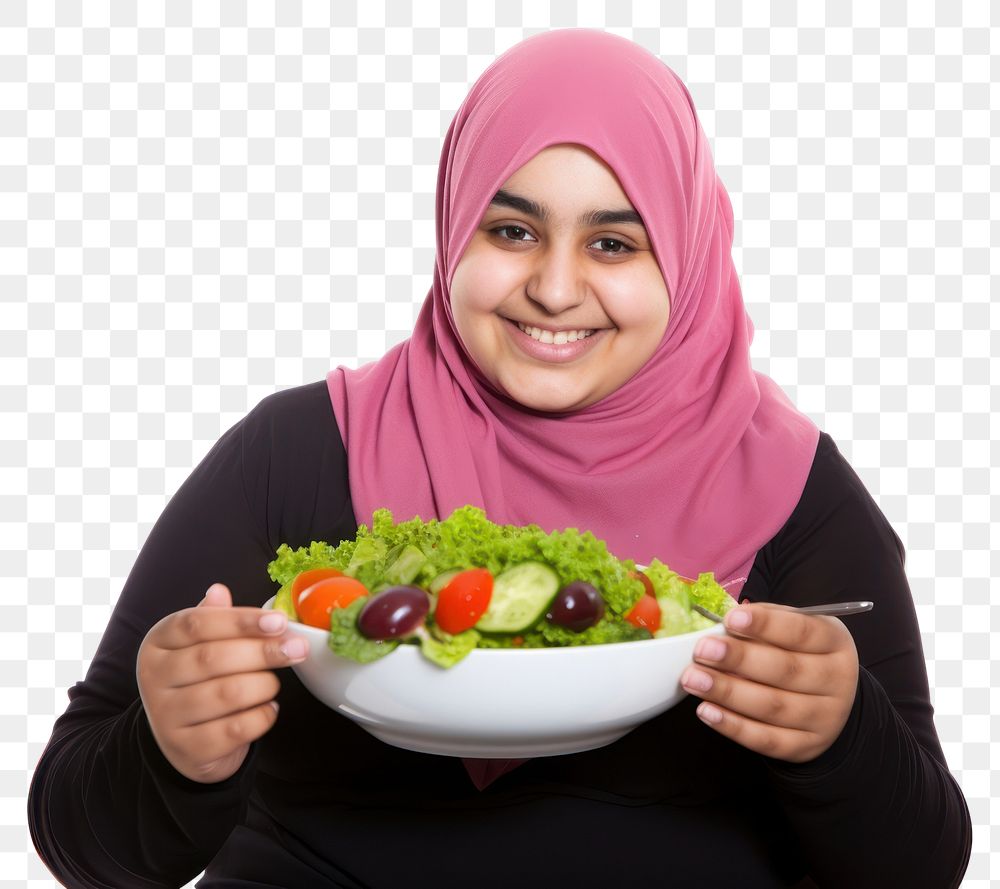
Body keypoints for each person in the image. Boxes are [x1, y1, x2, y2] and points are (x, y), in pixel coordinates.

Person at [28, 28, 971, 889]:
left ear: (685, 257)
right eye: (512, 229)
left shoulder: (793, 489)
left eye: (613, 242)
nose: (555, 289)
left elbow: (919, 867)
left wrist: (842, 739)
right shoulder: (300, 450)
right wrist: (171, 748)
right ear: (453, 229)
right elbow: (79, 839)